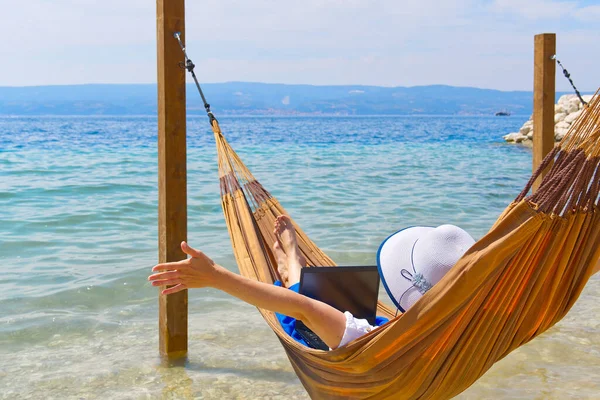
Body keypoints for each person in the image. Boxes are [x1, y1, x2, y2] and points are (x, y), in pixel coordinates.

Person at [148, 216, 600, 350]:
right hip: (422, 337)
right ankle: (294, 259)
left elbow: (300, 308)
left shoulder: (364, 339)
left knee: (301, 293)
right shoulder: (483, 328)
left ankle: (291, 258)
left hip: (332, 337)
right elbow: (557, 287)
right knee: (314, 291)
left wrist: (214, 276)